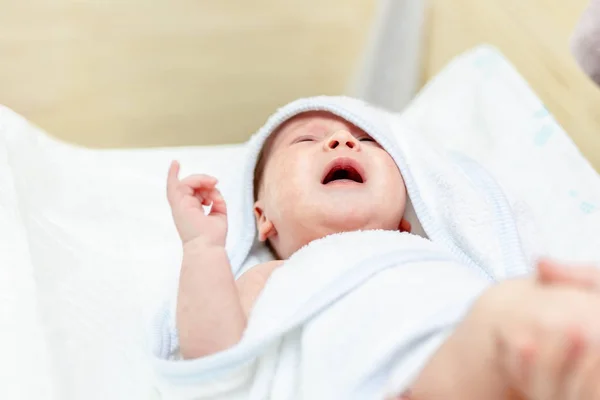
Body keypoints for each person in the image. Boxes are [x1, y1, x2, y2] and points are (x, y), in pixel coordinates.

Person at [167, 109, 600, 398]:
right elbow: (214, 354)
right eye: (305, 140)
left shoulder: (423, 251)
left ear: (403, 221)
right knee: (534, 321)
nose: (341, 141)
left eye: (367, 139)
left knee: (553, 310)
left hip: (465, 350)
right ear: (264, 220)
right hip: (393, 381)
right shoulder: (273, 276)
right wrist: (203, 248)